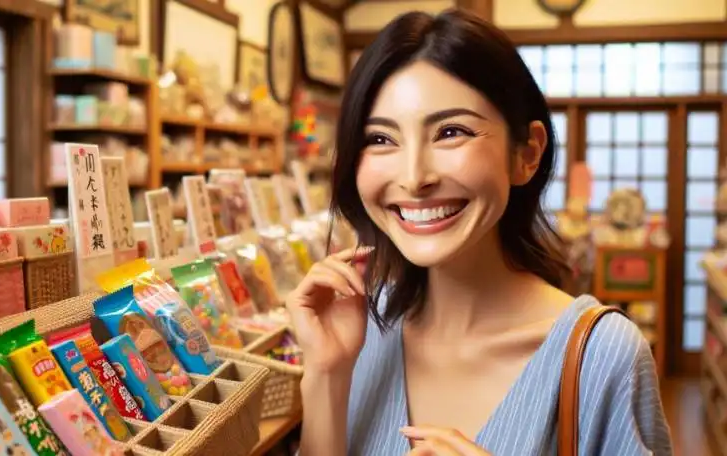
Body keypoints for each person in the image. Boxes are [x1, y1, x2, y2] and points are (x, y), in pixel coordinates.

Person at [285, 8, 672, 456]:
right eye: (380, 139)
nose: (414, 178)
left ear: (527, 154)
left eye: (451, 132)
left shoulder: (604, 357)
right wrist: (327, 374)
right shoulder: (359, 331)